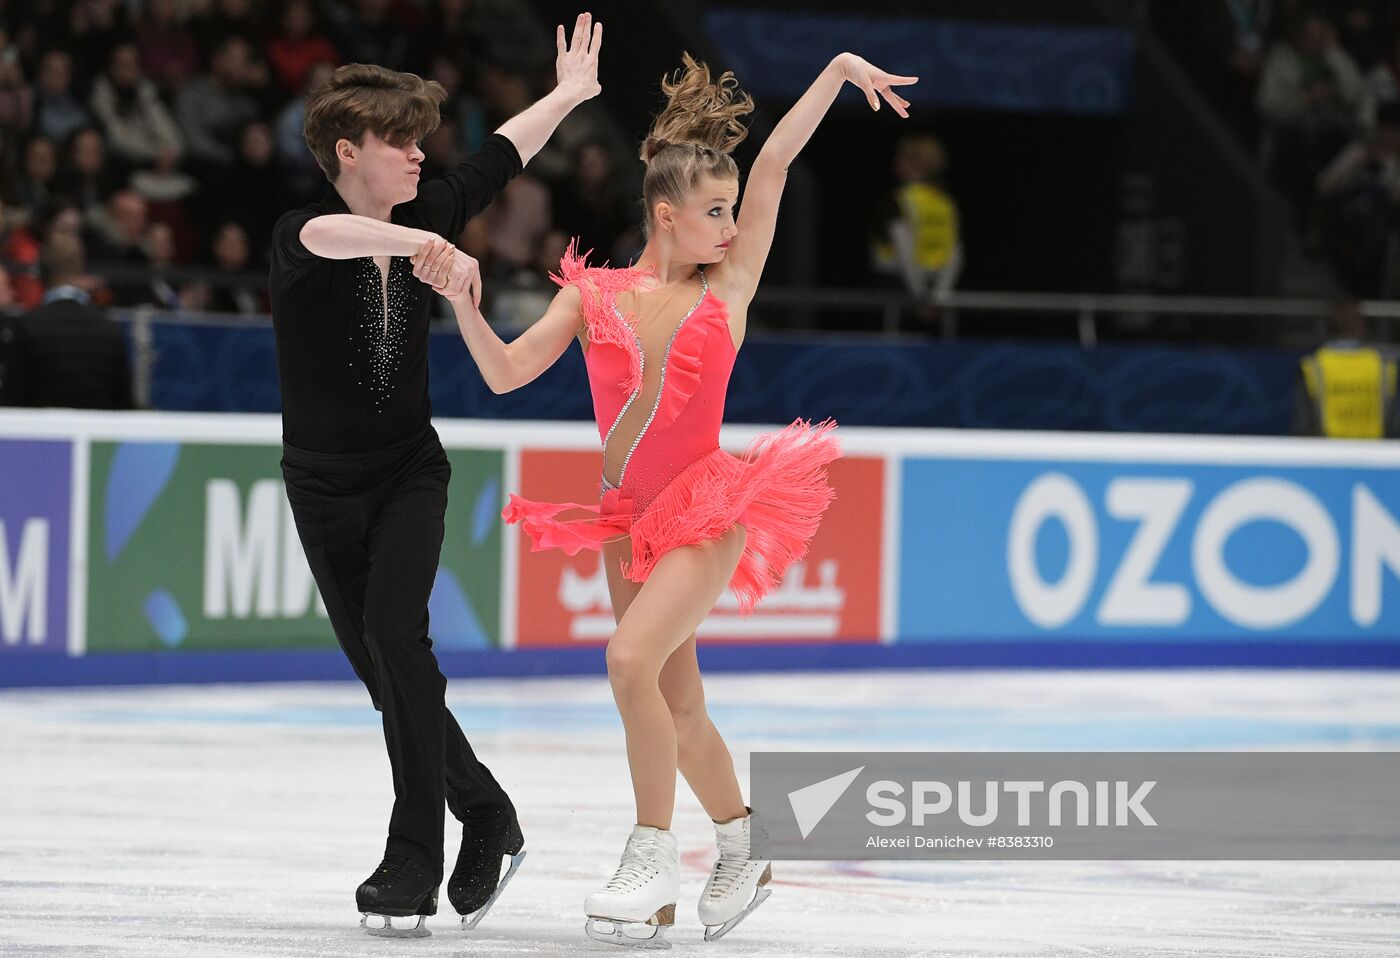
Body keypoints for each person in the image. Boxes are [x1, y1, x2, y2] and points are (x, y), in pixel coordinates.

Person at [419, 50, 915, 946]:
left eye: (732, 213)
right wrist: (465, 300)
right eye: (713, 213)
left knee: (625, 662)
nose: (730, 227)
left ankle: (650, 859)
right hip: (625, 523)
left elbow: (773, 167)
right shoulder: (592, 297)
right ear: (666, 215)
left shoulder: (727, 290)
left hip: (707, 513)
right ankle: (745, 843)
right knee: (678, 706)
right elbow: (502, 376)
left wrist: (836, 73)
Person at [267, 13, 603, 938]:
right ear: (349, 150)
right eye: (400, 142)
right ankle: (487, 809)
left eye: (421, 141)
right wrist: (418, 251)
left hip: (408, 470)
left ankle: (412, 855)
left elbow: (498, 158)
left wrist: (568, 98)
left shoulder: (426, 217)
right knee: (385, 673)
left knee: (395, 638)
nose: (420, 157)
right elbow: (336, 238)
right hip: (322, 484)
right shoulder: (303, 234)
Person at [8, 233, 132, 409]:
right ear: (81, 269)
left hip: (43, 434)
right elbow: (125, 404)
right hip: (94, 432)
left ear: (42, 273)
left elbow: (12, 402)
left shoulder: (28, 326)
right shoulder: (108, 329)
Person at [1294, 298, 1398, 437]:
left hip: (1327, 453)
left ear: (1329, 326)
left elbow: (1302, 424)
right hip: (1375, 452)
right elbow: (1395, 423)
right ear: (1361, 325)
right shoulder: (1384, 365)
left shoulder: (1312, 366)